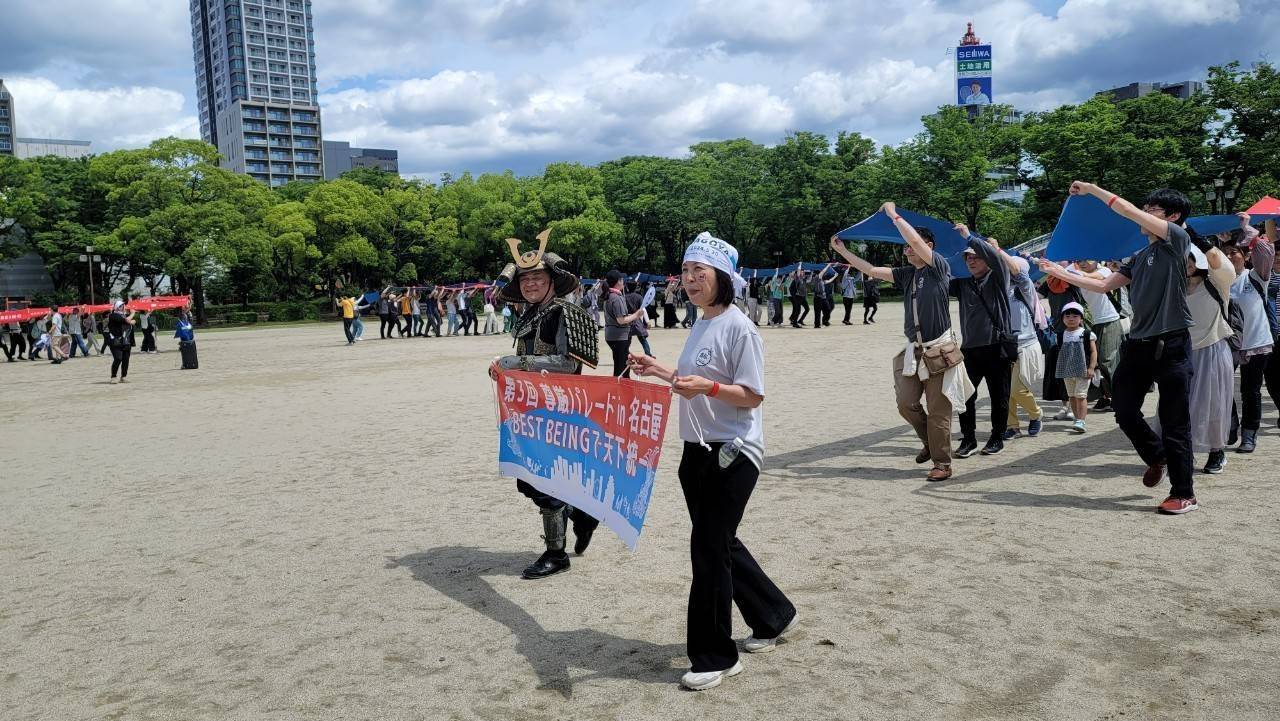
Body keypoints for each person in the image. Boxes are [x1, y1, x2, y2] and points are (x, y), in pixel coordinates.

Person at [627, 231, 797, 692]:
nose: (690, 280)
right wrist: (661, 370)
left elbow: (752, 395)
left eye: (699, 272)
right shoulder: (701, 322)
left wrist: (707, 388)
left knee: (707, 549)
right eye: (685, 271)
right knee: (720, 543)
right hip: (695, 450)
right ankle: (773, 614)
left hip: (734, 451)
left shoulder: (741, 326)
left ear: (723, 276)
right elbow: (693, 376)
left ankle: (716, 656)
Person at [1037, 182, 1198, 515]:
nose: (1144, 213)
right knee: (1124, 411)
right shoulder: (1140, 255)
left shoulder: (1175, 241)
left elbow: (1125, 209)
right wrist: (1058, 271)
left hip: (1172, 345)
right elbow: (1104, 283)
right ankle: (1157, 455)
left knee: (1174, 421)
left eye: (1152, 209)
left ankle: (1184, 493)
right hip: (1138, 345)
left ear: (1173, 216)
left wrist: (1092, 189)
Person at [831, 203, 972, 481]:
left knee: (938, 410)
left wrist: (894, 215)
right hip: (915, 350)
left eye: (909, 246)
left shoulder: (937, 266)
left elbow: (915, 240)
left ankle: (942, 463)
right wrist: (843, 252)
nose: (906, 249)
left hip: (939, 349)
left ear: (927, 246)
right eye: (905, 247)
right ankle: (930, 444)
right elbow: (872, 270)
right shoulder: (908, 275)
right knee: (906, 403)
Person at [490, 239, 600, 580]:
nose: (531, 284)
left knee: (541, 480)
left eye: (537, 278)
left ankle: (556, 552)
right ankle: (583, 513)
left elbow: (570, 364)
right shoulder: (529, 315)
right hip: (530, 409)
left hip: (559, 410)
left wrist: (516, 362)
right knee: (529, 479)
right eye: (524, 280)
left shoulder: (566, 313)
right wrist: (504, 370)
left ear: (552, 280)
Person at [951, 225, 1014, 457]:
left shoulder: (998, 277)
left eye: (977, 257)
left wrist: (969, 237)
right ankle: (968, 439)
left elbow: (996, 257)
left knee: (999, 396)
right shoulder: (963, 284)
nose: (972, 261)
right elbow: (937, 276)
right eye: (968, 257)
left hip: (997, 347)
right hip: (969, 349)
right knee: (965, 395)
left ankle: (997, 437)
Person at [1181, 241, 1235, 473]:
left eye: (1190, 258)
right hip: (1182, 352)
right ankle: (1183, 452)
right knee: (1180, 405)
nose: (1187, 264)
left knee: (1213, 404)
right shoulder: (1175, 287)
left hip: (1213, 350)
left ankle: (1217, 452)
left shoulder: (1216, 282)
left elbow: (1219, 263)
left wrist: (1196, 237)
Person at [1222, 220, 1275, 454]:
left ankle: (1249, 434)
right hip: (1227, 344)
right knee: (1223, 388)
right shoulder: (1217, 280)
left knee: (1250, 390)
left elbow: (1266, 250)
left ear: (1245, 256)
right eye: (1225, 253)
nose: (1230, 256)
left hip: (1255, 342)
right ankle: (1230, 427)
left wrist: (1247, 229)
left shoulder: (1256, 276)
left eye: (1234, 252)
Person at [1070, 260, 1123, 411]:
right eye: (1078, 260)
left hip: (1109, 319)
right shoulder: (1077, 271)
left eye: (1087, 259)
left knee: (1108, 360)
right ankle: (1106, 396)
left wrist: (1078, 273)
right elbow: (1058, 270)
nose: (1082, 262)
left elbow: (1098, 278)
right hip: (1094, 322)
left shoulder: (1105, 271)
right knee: (1097, 362)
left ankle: (1120, 397)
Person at [1003, 253, 1044, 440]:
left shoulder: (1025, 288)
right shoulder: (1003, 289)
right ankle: (1012, 426)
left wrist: (996, 250)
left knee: (1017, 390)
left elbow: (1019, 274)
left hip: (1026, 345)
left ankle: (1036, 414)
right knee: (1007, 391)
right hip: (1006, 346)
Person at [1054, 303, 1097, 434]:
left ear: (1081, 319)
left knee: (1081, 396)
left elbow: (1093, 351)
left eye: (1075, 316)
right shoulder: (1061, 335)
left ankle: (1081, 421)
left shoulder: (1086, 333)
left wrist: (1091, 368)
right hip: (1068, 371)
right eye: (1067, 316)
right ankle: (1077, 418)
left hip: (1082, 371)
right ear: (1063, 319)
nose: (1071, 319)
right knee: (1072, 396)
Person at [604, 270, 644, 377]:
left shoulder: (610, 295)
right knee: (621, 368)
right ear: (618, 282)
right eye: (622, 280)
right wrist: (636, 315)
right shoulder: (616, 298)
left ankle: (625, 385)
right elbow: (621, 320)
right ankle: (619, 389)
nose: (623, 282)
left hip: (613, 335)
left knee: (623, 365)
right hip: (619, 336)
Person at [106, 301, 136, 383]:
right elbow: (126, 320)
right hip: (115, 341)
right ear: (116, 307)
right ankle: (113, 376)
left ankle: (123, 376)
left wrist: (132, 321)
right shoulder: (113, 315)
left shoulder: (124, 315)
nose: (122, 307)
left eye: (123, 306)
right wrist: (133, 314)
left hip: (126, 341)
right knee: (118, 358)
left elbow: (129, 322)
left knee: (126, 360)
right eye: (120, 306)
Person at [811, 263, 836, 328]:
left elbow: (829, 281)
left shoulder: (822, 280)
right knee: (817, 312)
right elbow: (823, 271)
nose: (823, 274)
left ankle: (824, 321)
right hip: (817, 298)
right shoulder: (817, 278)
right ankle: (817, 325)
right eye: (820, 273)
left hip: (823, 298)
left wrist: (835, 276)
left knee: (828, 309)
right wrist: (828, 265)